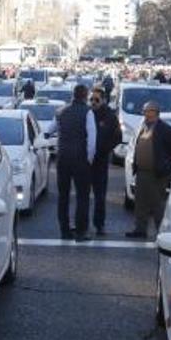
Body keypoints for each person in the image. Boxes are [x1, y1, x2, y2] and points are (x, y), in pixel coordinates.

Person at [126, 101, 171, 239]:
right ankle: (140, 229)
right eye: (144, 111)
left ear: (156, 112)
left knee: (157, 203)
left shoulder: (166, 130)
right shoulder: (143, 127)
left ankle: (161, 231)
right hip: (142, 172)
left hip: (157, 173)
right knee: (140, 203)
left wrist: (165, 166)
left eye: (148, 110)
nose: (145, 113)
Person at [54, 84, 97, 242]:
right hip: (80, 159)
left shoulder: (60, 111)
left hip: (63, 157)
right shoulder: (88, 112)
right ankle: (81, 231)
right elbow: (92, 139)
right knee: (82, 196)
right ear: (85, 96)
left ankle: (64, 230)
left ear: (73, 95)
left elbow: (51, 129)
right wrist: (89, 159)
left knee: (63, 196)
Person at [89, 87, 122, 237]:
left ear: (103, 100)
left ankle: (99, 224)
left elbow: (118, 137)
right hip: (85, 161)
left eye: (96, 100)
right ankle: (81, 224)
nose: (93, 103)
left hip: (101, 161)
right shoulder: (87, 113)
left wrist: (105, 149)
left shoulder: (110, 116)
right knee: (82, 194)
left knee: (100, 196)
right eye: (91, 99)